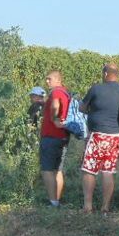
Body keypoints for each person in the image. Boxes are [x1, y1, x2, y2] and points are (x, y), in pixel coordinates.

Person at [79, 62, 119, 214]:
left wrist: (92, 111)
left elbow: (82, 107)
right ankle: (105, 207)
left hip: (98, 135)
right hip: (115, 137)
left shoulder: (96, 88)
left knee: (89, 169)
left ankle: (88, 206)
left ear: (106, 73)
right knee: (108, 170)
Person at [40, 71, 71, 207]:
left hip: (51, 136)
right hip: (63, 136)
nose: (47, 81)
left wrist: (53, 118)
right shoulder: (66, 93)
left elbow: (55, 105)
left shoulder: (56, 92)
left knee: (47, 169)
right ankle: (56, 200)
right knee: (58, 170)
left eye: (49, 79)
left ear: (58, 80)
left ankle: (53, 202)